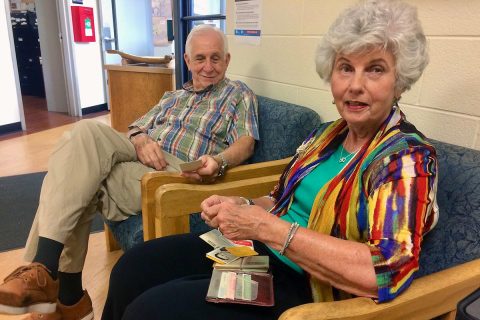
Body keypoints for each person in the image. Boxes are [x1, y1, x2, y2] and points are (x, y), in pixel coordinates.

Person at [102, 0, 439, 319]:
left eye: (375, 70)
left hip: (307, 286)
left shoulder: (405, 158)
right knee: (131, 269)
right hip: (255, 252)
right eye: (345, 68)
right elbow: (278, 199)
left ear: (400, 82)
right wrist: (241, 205)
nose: (355, 85)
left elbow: (385, 271)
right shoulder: (324, 136)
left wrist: (266, 227)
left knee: (151, 311)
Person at [0, 24, 259, 320]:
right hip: (142, 161)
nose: (208, 67)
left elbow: (246, 143)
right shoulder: (173, 97)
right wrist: (141, 139)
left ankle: (59, 287)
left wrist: (219, 161)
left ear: (227, 60)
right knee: (83, 144)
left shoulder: (238, 94)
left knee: (78, 172)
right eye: (200, 58)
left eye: (215, 58)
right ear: (187, 61)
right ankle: (63, 293)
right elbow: (136, 127)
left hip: (182, 175)